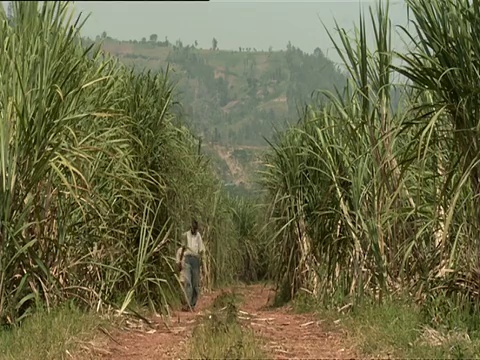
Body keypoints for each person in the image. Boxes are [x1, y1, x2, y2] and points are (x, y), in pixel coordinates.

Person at [180, 219, 205, 311]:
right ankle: (187, 305)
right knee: (188, 283)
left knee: (195, 285)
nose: (195, 230)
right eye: (194, 228)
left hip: (195, 260)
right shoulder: (185, 235)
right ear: (191, 227)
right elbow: (183, 248)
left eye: (196, 229)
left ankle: (192, 304)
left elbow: (201, 250)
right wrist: (180, 261)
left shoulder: (198, 236)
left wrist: (202, 264)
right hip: (187, 259)